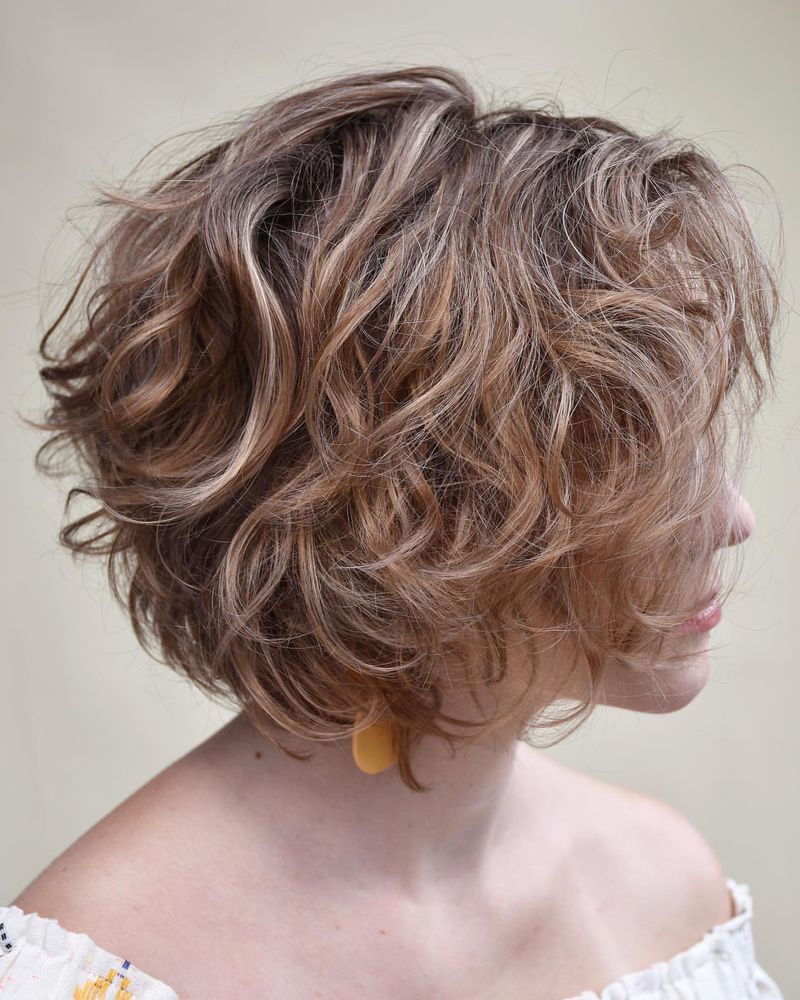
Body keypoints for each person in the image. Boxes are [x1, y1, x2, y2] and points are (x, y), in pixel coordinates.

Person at [1, 65, 785, 998]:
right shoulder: (96, 971)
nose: (734, 521)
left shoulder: (670, 893)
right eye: (648, 462)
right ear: (418, 511)